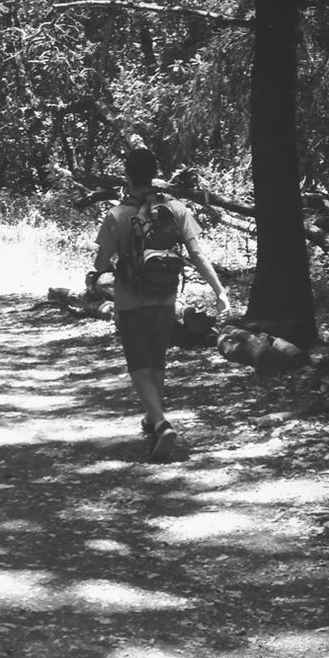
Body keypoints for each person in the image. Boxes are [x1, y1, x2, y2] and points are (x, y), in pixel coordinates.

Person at [86, 149, 231, 459]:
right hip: (165, 299)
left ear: (127, 176)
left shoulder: (117, 215)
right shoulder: (175, 209)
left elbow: (101, 260)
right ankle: (152, 421)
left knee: (139, 367)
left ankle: (162, 424)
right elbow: (197, 254)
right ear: (153, 174)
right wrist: (219, 291)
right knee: (156, 362)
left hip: (130, 301)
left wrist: (95, 276)